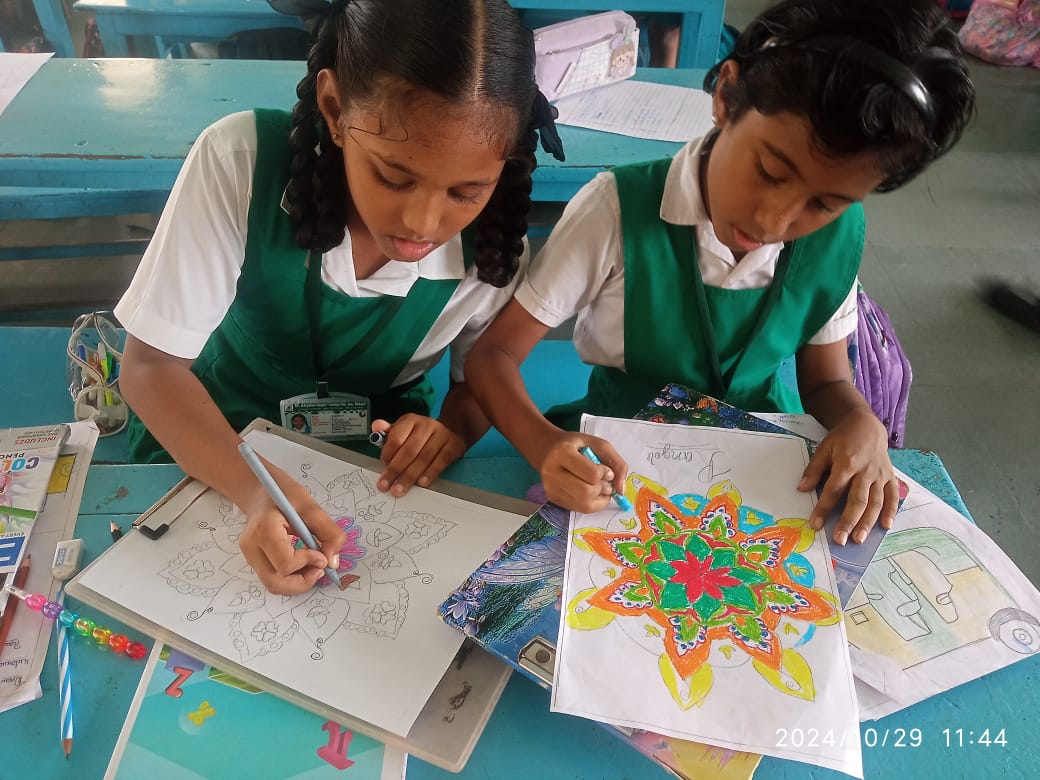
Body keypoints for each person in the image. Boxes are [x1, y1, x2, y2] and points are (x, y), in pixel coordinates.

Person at [466, 0, 975, 546]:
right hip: (619, 458)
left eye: (824, 203)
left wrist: (860, 421)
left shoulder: (837, 235)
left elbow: (826, 381)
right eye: (770, 171)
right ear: (727, 96)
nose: (774, 221)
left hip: (767, 467)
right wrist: (542, 443)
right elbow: (493, 356)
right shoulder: (616, 210)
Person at [114, 0, 563, 594]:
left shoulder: (494, 247)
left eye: (466, 192)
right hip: (213, 433)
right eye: (393, 176)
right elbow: (151, 367)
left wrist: (451, 431)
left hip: (375, 462)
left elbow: (477, 381)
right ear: (333, 108)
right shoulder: (243, 162)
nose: (422, 222)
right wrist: (257, 492)